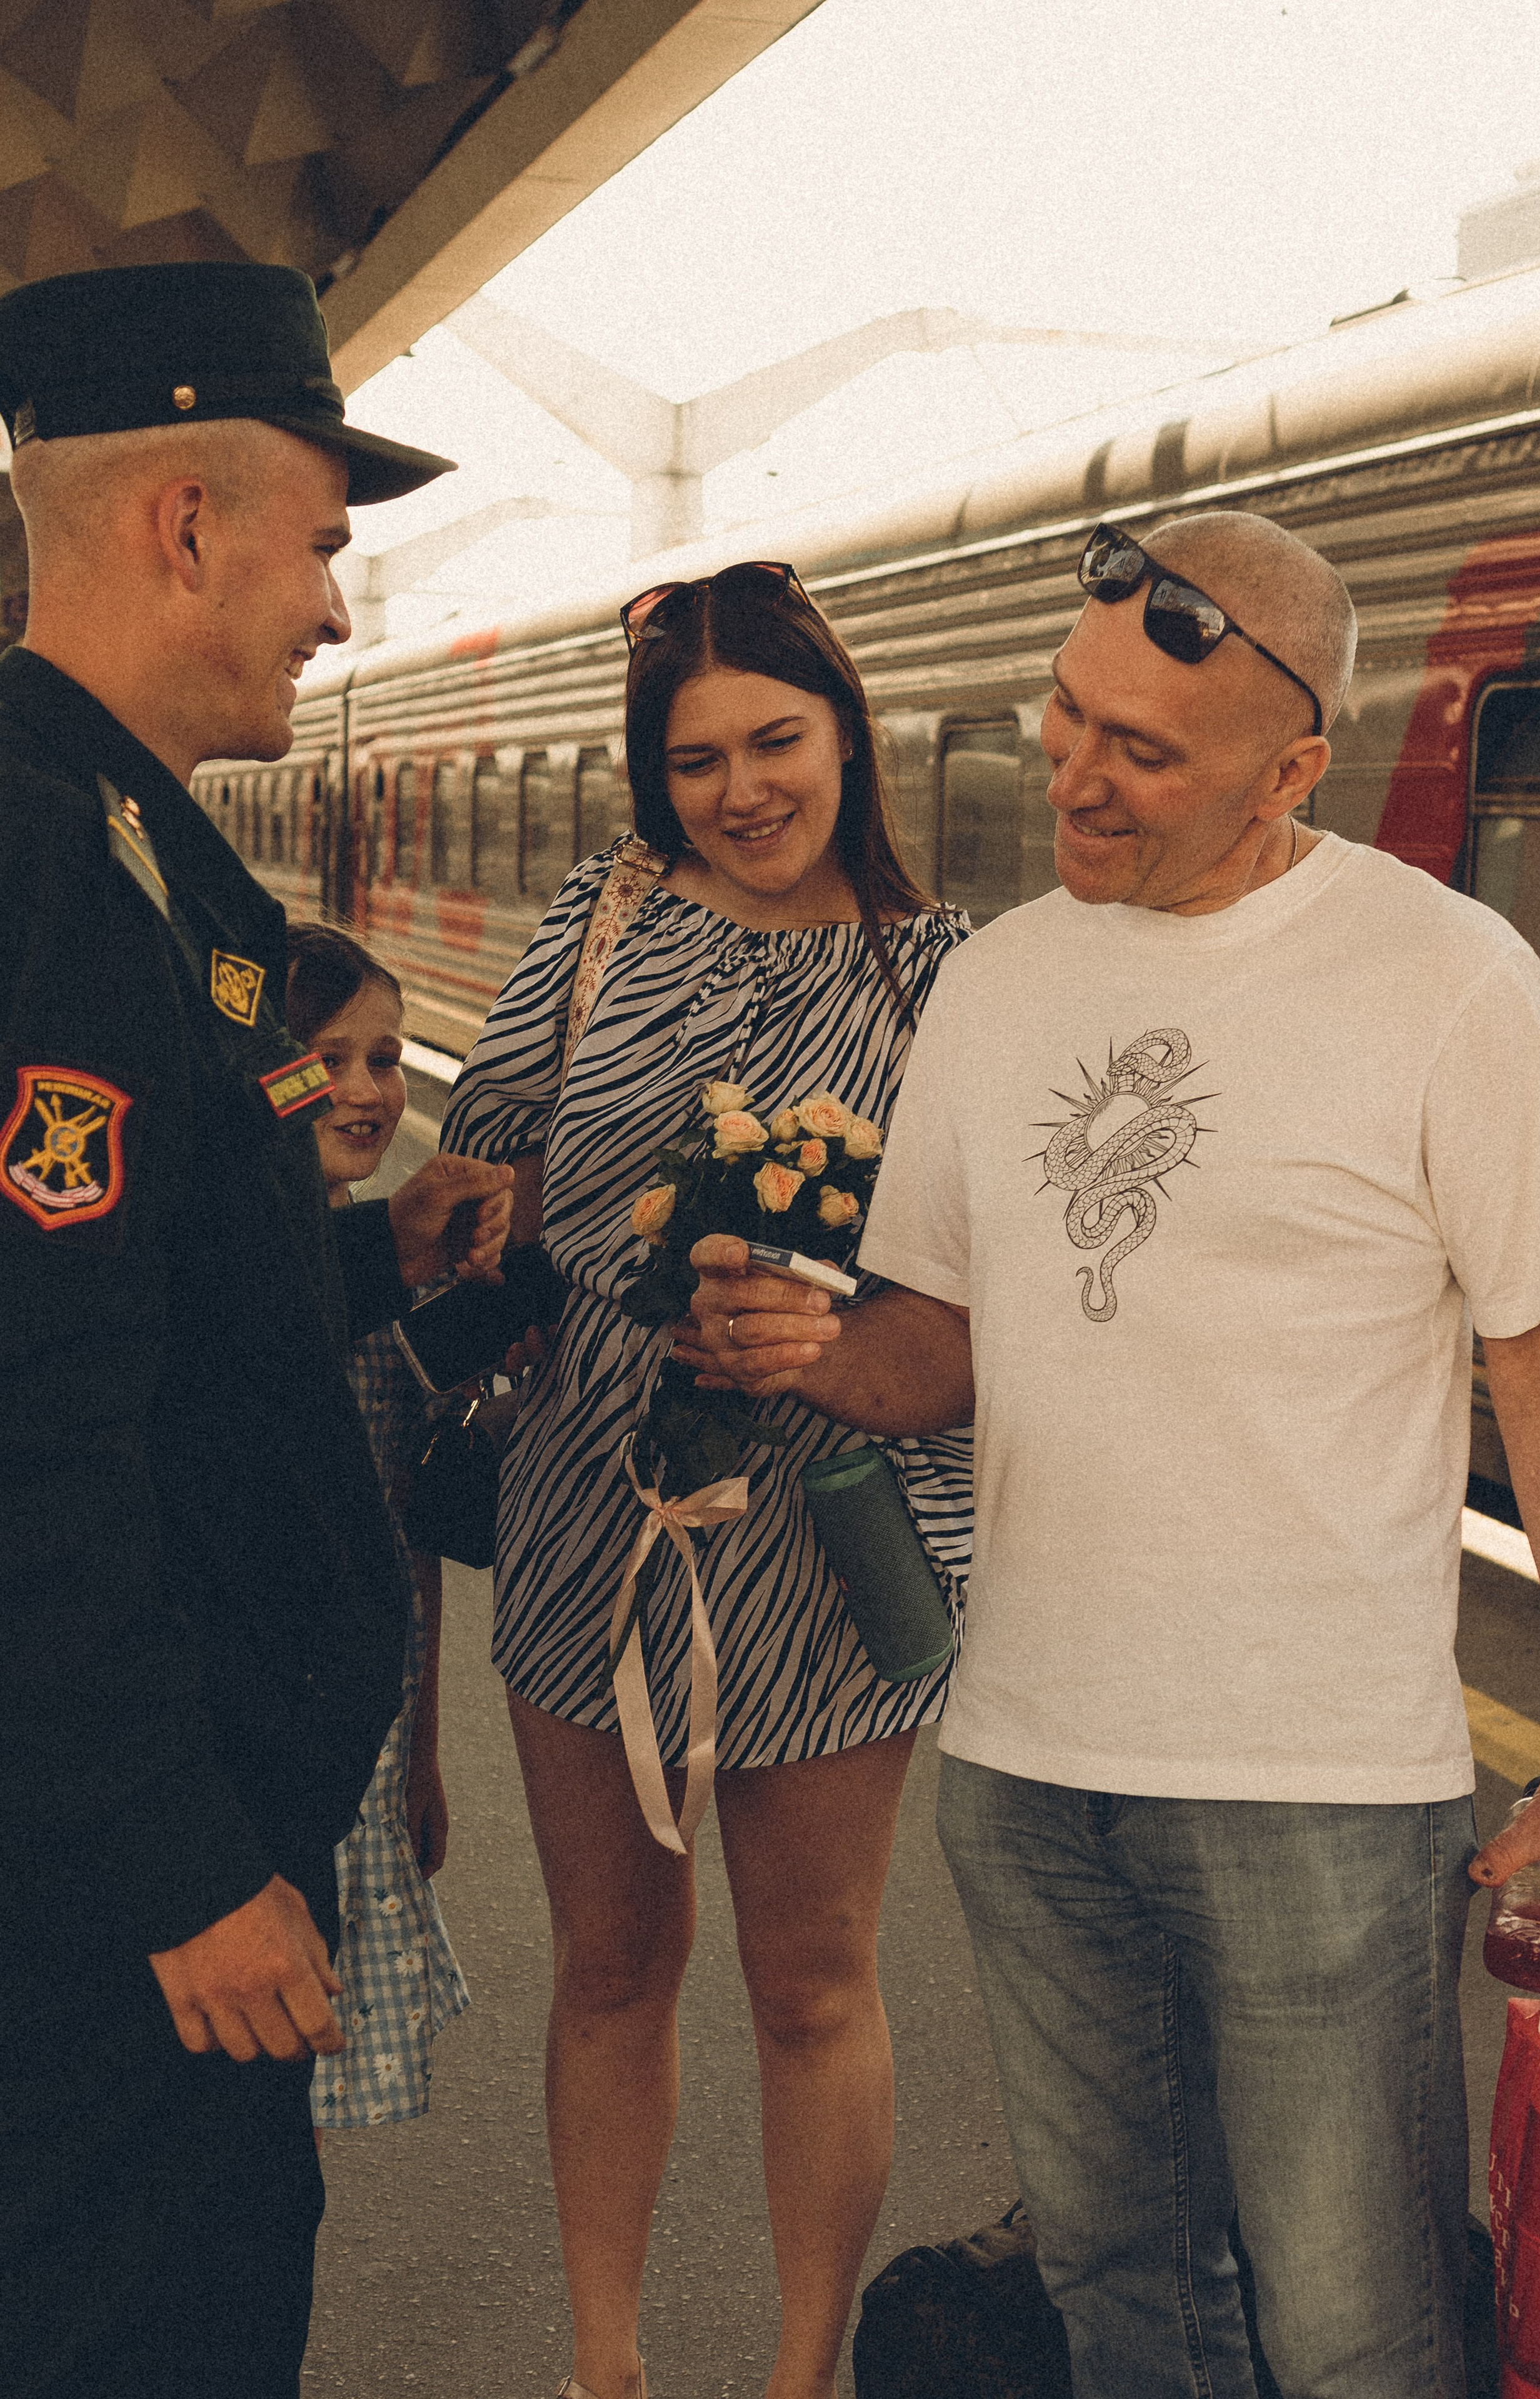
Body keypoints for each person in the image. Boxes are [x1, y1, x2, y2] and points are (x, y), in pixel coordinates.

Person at [685, 510, 1540, 2398]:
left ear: (1291, 771)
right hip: (1028, 1769)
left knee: (1357, 2328)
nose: (1076, 773)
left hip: (1321, 1789)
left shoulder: (1446, 976)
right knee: (1122, 2297)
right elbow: (936, 1341)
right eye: (1066, 714)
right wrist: (811, 1349)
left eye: (1144, 750)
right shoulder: (1003, 976)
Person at [0, 262, 515, 2399]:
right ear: (177, 524)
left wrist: (394, 1266)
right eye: (318, 545)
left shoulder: (175, 887)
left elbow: (191, 1292)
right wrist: (190, 1866)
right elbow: (34, 1427)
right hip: (129, 1901)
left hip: (178, 1849)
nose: (335, 607)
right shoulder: (44, 875)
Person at [439, 559, 973, 2399]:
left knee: (814, 1975)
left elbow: (986, 1282)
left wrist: (837, 1326)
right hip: (592, 1501)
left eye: (775, 740)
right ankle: (609, 2371)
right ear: (650, 780)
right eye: (695, 759)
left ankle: (801, 2376)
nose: (741, 788)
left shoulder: (946, 975)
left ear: (849, 737)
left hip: (836, 1526)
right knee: (610, 1965)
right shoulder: (595, 921)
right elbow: (480, 1163)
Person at [284, 923, 471, 2132]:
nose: (363, 1088)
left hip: (375, 1725)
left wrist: (428, 1744)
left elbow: (412, 1533)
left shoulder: (394, 1268)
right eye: (326, 1058)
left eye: (386, 1057)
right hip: (286, 1728)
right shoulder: (258, 1272)